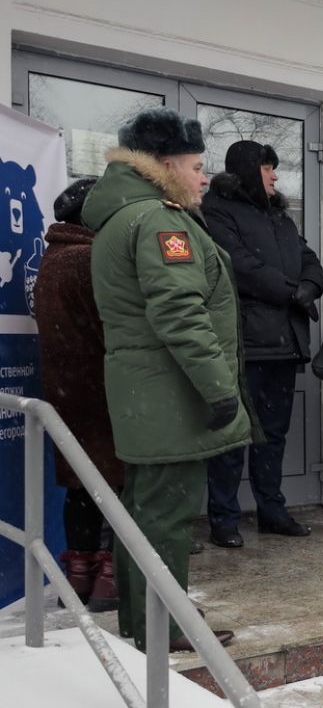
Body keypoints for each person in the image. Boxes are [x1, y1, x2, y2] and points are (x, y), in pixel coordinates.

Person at [82, 107, 252, 652]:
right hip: (171, 395)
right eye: (197, 165)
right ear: (164, 163)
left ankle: (145, 619)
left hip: (148, 394)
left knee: (146, 513)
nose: (204, 177)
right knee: (167, 519)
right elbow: (179, 311)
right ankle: (166, 627)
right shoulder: (158, 220)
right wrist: (219, 386)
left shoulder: (126, 216)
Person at [202, 140, 323, 547]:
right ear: (248, 169)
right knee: (235, 435)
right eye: (268, 168)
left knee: (273, 434)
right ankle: (224, 518)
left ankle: (271, 511)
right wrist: (292, 292)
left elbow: (310, 259)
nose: (275, 176)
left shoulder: (279, 216)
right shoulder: (218, 211)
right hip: (246, 343)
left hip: (284, 342)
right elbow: (238, 265)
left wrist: (309, 286)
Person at [34, 177, 120, 613]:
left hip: (70, 393)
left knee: (82, 488)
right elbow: (114, 330)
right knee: (115, 486)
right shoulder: (88, 260)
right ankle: (111, 579)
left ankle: (81, 574)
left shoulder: (55, 257)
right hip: (102, 391)